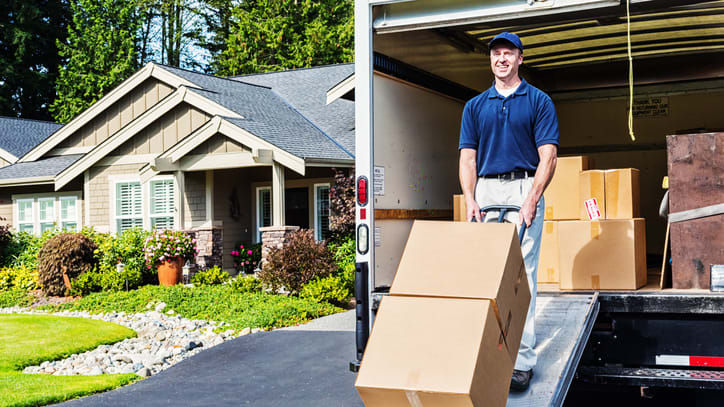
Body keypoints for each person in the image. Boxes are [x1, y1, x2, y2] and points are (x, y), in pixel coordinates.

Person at [458, 32, 559, 392]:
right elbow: (468, 158)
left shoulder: (538, 101)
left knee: (523, 275)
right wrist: (470, 198)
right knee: (485, 276)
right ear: (491, 60)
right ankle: (485, 353)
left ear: (520, 59)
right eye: (496, 54)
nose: (501, 59)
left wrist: (532, 198)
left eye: (508, 53)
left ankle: (522, 362)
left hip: (523, 188)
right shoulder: (475, 106)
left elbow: (548, 154)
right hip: (486, 190)